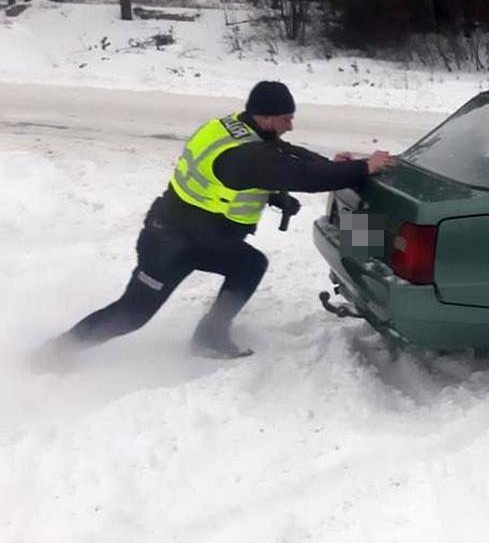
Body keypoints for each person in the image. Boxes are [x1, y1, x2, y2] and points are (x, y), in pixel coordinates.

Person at [50, 80, 395, 359]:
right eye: (286, 118)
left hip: (202, 238)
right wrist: (361, 168)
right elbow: (299, 174)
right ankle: (56, 353)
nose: (291, 125)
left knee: (249, 265)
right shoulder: (244, 154)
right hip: (168, 242)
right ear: (266, 116)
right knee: (133, 314)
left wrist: (333, 164)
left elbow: (287, 155)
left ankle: (209, 336)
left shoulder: (239, 130)